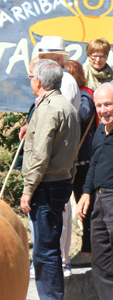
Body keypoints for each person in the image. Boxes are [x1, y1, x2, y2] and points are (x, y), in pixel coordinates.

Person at [20, 58, 79, 300]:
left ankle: (51, 297)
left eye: (32, 75)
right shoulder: (65, 106)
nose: (30, 79)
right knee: (50, 245)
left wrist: (28, 189)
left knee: (44, 250)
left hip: (46, 184)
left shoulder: (48, 108)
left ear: (40, 81)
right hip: (61, 181)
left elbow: (41, 153)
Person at [77, 82, 113, 296]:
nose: (103, 110)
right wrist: (86, 193)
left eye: (108, 104)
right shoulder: (100, 131)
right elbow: (94, 165)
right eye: (99, 106)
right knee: (101, 263)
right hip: (99, 203)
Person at [65, 59, 97, 267]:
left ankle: (88, 250)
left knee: (86, 206)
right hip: (80, 160)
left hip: (84, 161)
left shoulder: (84, 95)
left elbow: (84, 114)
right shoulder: (84, 94)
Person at [37, 36, 81, 111]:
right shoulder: (60, 79)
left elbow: (60, 113)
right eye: (40, 57)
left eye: (43, 57)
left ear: (58, 59)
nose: (39, 61)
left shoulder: (64, 81)